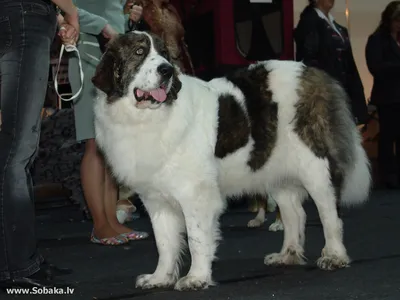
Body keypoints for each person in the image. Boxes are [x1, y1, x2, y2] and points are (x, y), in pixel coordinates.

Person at [0, 0, 79, 289]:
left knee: (11, 148)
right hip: (23, 17)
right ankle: (16, 265)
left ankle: (17, 259)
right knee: (17, 150)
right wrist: (70, 12)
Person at [63, 1, 148, 246]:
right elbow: (68, 8)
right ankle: (100, 225)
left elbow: (112, 12)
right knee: (93, 141)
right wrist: (104, 27)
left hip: (113, 57)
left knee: (110, 144)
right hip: (88, 52)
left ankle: (111, 220)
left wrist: (129, 21)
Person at [294, 0, 369, 126]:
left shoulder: (337, 27)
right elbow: (309, 61)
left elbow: (349, 64)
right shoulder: (309, 22)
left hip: (342, 90)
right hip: (324, 93)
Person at [365, 1, 400, 189]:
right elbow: (376, 67)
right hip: (388, 97)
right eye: (397, 21)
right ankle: (388, 175)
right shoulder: (377, 39)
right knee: (388, 136)